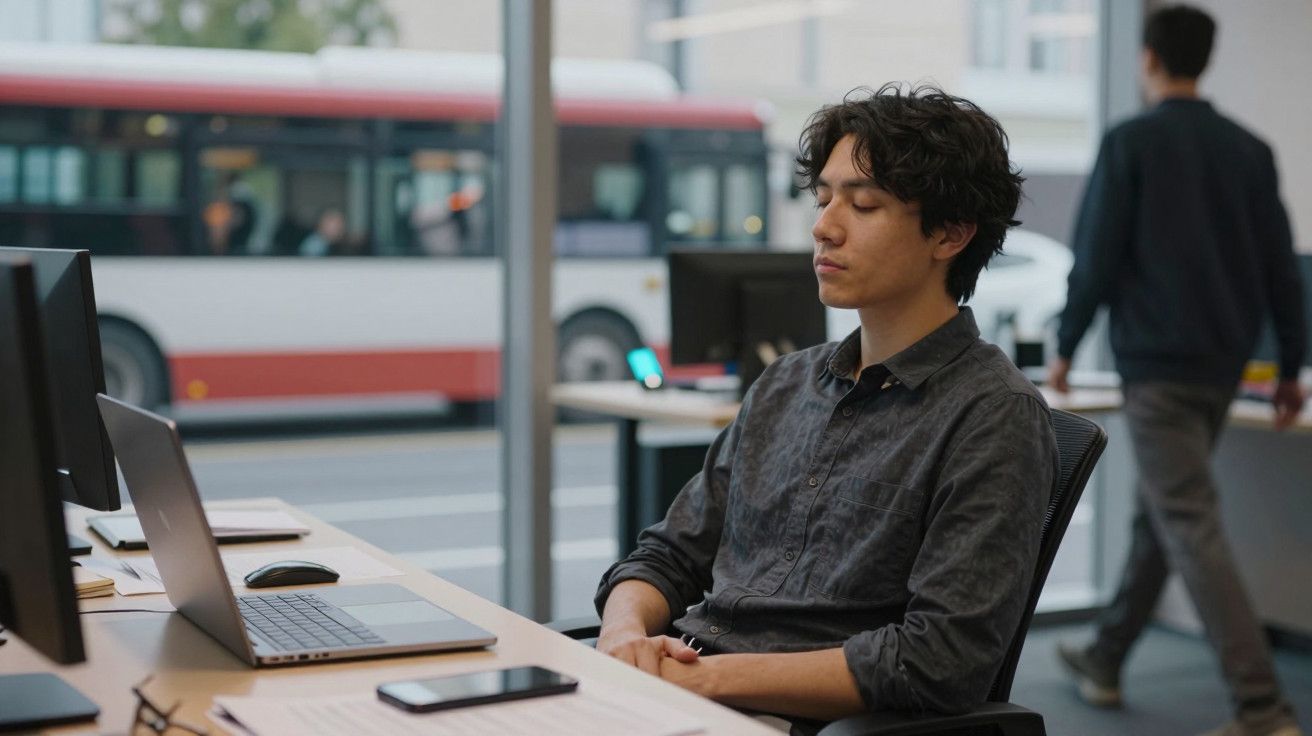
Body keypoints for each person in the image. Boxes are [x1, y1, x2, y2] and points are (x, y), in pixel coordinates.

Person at [592, 84, 1058, 730]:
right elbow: (669, 556)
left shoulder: (991, 414)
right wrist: (621, 636)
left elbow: (939, 660)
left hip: (782, 717)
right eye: (823, 199)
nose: (824, 226)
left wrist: (705, 679)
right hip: (683, 695)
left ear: (950, 233)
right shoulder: (786, 383)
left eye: (862, 205)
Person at [1048, 6, 1305, 736]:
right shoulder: (1248, 150)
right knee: (1163, 512)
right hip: (1223, 367)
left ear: (1149, 57)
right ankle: (1106, 655)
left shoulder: (1132, 141)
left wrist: (1066, 347)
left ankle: (1261, 706)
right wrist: (1291, 364)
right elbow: (1280, 268)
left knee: (1186, 518)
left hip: (1157, 369)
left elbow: (1096, 255)